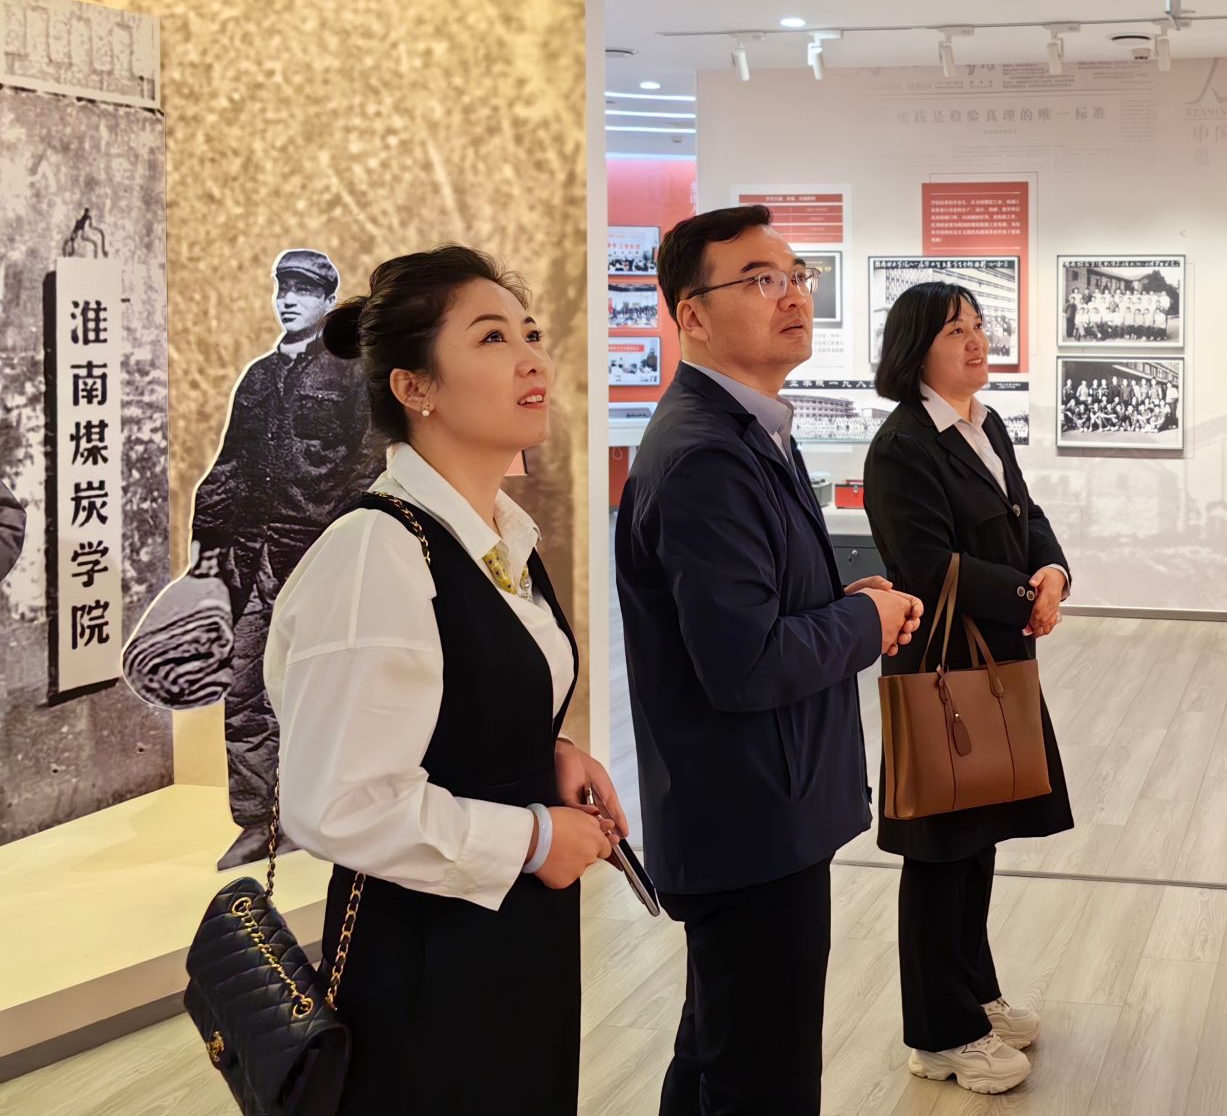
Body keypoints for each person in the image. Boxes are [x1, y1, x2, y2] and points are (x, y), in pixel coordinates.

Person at [267, 246, 619, 1115]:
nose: (532, 359)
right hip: (425, 957)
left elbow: (465, 701)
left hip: (510, 938)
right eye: (493, 338)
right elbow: (337, 804)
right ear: (414, 387)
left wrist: (542, 751)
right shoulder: (376, 552)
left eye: (531, 334)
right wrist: (532, 838)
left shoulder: (495, 535)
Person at [615, 206, 923, 1116]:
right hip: (747, 819)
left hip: (756, 806)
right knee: (763, 1078)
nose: (792, 296)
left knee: (719, 1055)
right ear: (693, 315)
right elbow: (744, 662)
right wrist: (866, 620)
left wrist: (842, 605)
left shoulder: (745, 430)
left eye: (796, 277)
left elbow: (755, 614)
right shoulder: (706, 454)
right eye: (760, 279)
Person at [863, 282, 1074, 1095]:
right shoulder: (902, 446)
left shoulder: (985, 424)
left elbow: (1027, 515)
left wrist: (1050, 572)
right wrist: (1023, 598)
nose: (977, 341)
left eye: (980, 326)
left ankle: (974, 995)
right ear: (917, 347)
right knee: (939, 851)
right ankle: (939, 1034)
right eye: (957, 330)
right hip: (941, 672)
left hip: (992, 661)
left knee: (975, 843)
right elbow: (927, 565)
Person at [192, 248, 383, 867]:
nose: (289, 299)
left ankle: (330, 813)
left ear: (328, 300)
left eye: (303, 289)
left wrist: (344, 541)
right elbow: (230, 465)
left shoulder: (353, 373)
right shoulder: (258, 377)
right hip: (255, 557)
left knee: (326, 692)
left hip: (320, 556)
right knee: (245, 687)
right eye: (283, 289)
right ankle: (261, 820)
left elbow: (369, 463)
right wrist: (205, 547)